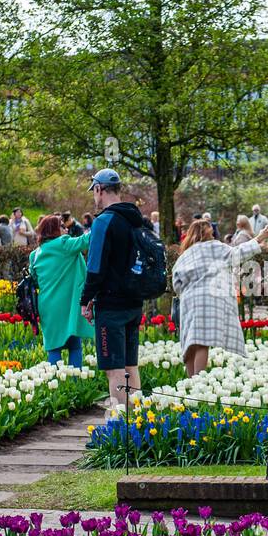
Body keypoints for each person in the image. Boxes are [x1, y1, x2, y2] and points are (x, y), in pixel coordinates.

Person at [81, 168, 155, 407]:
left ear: (100, 189)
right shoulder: (136, 219)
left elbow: (95, 266)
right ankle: (138, 421)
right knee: (130, 366)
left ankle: (121, 425)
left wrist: (86, 299)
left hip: (111, 306)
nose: (94, 196)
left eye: (94, 191)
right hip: (134, 302)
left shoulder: (104, 221)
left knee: (114, 369)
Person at [172, 218, 268, 376]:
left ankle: (190, 383)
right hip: (210, 300)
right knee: (202, 342)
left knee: (190, 342)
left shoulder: (185, 255)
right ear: (208, 232)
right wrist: (259, 238)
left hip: (189, 301)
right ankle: (198, 382)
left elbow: (176, 283)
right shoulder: (215, 247)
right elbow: (237, 253)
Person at [29, 215, 93, 367]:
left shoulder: (35, 255)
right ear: (54, 230)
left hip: (47, 305)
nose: (66, 230)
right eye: (63, 227)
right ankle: (75, 383)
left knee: (53, 347)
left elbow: (36, 280)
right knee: (75, 346)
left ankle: (55, 385)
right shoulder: (63, 244)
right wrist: (104, 222)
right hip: (67, 304)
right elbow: (87, 240)